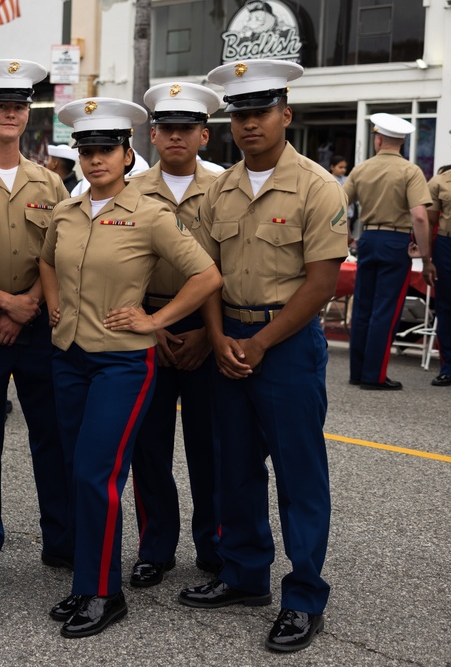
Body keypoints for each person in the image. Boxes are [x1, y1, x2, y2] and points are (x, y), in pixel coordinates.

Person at [178, 59, 348, 654]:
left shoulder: (318, 186)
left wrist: (259, 341)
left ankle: (303, 597)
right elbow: (207, 275)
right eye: (240, 114)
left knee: (300, 476)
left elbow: (322, 282)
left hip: (285, 347)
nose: (249, 124)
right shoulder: (220, 188)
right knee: (236, 468)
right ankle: (244, 575)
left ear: (286, 114)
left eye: (261, 112)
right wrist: (218, 336)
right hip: (230, 341)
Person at [40, 97, 220, 639]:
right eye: (87, 151)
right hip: (69, 357)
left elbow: (206, 276)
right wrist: (53, 305)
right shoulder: (67, 212)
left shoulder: (149, 213)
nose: (95, 161)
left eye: (106, 151)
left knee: (99, 473)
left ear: (126, 155)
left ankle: (104, 594)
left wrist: (155, 319)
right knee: (79, 470)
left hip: (121, 362)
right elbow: (47, 260)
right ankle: (85, 586)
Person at [0, 59, 72, 589]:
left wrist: (26, 305)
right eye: (0, 104)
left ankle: (63, 540)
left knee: (53, 435)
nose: (9, 113)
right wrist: (5, 304)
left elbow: (65, 258)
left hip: (40, 322)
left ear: (28, 114)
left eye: (19, 105)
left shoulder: (50, 183)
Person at [128, 81, 223, 589]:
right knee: (150, 446)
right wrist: (151, 326)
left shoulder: (227, 189)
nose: (176, 136)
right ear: (154, 134)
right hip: (149, 325)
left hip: (210, 330)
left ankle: (213, 544)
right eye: (167, 128)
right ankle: (155, 546)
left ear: (204, 135)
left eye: (187, 128)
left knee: (211, 445)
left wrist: (211, 334)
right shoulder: (132, 190)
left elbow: (230, 265)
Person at [344, 113, 434, 390]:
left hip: (368, 237)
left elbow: (337, 204)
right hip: (396, 241)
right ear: (402, 143)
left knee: (362, 308)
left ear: (378, 139)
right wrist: (426, 256)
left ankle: (357, 372)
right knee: (385, 310)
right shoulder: (410, 171)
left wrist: (348, 235)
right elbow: (419, 216)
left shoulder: (362, 169)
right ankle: (374, 377)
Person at [426, 165, 451, 386]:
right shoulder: (440, 181)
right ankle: (448, 367)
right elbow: (429, 220)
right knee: (445, 305)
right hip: (447, 244)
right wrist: (427, 258)